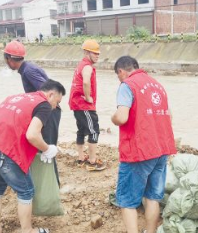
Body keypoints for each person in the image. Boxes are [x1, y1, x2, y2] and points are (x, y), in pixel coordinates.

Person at [0, 79, 65, 233]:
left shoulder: (16, 97)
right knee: (26, 190)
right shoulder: (43, 105)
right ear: (50, 95)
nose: (55, 106)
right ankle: (27, 230)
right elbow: (32, 135)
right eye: (57, 102)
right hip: (2, 150)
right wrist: (47, 149)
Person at [111, 56, 177, 233]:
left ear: (121, 72)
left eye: (118, 76)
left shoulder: (128, 85)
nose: (119, 79)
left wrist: (113, 117)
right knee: (152, 197)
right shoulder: (157, 85)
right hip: (161, 150)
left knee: (127, 201)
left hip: (139, 151)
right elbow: (169, 116)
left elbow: (122, 117)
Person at [3, 40, 61, 147]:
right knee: (42, 146)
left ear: (9, 59)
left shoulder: (28, 71)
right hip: (47, 110)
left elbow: (48, 92)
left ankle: (50, 164)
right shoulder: (27, 68)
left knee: (46, 147)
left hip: (49, 111)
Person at [68, 39, 105, 171]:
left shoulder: (81, 65)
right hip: (84, 105)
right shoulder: (87, 66)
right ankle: (92, 161)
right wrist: (88, 97)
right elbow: (85, 82)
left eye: (98, 53)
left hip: (76, 103)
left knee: (82, 130)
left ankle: (80, 157)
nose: (97, 56)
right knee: (94, 131)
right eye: (94, 53)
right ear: (86, 52)